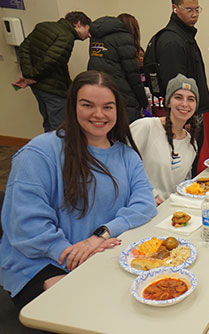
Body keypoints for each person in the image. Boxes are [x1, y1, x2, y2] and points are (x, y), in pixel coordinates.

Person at [0, 71, 157, 309]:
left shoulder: (127, 155)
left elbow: (144, 203)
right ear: (72, 106)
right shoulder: (40, 152)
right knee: (90, 309)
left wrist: (101, 235)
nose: (98, 114)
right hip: (41, 263)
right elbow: (26, 225)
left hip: (101, 253)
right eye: (87, 105)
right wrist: (72, 253)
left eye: (107, 107)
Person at [154, 0, 209, 176]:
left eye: (197, 9)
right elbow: (176, 88)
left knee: (191, 162)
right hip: (185, 116)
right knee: (182, 165)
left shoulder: (185, 35)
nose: (195, 14)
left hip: (192, 113)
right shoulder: (172, 40)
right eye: (189, 10)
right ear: (175, 8)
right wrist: (185, 118)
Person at [14, 11, 92, 132]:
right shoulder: (67, 37)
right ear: (78, 24)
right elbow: (51, 61)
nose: (89, 35)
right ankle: (59, 151)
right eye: (88, 29)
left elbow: (24, 48)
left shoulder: (42, 26)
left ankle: (49, 150)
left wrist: (28, 74)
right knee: (60, 127)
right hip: (53, 89)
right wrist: (32, 75)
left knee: (48, 123)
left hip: (37, 87)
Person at [130, 73, 199, 205]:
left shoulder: (191, 142)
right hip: (141, 207)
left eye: (191, 99)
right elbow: (120, 166)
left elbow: (183, 184)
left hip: (172, 213)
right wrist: (150, 195)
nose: (184, 104)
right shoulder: (146, 127)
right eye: (178, 97)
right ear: (168, 102)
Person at [87, 13, 148, 123]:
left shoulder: (97, 37)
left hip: (98, 90)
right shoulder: (124, 38)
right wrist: (144, 102)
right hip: (122, 95)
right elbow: (133, 76)